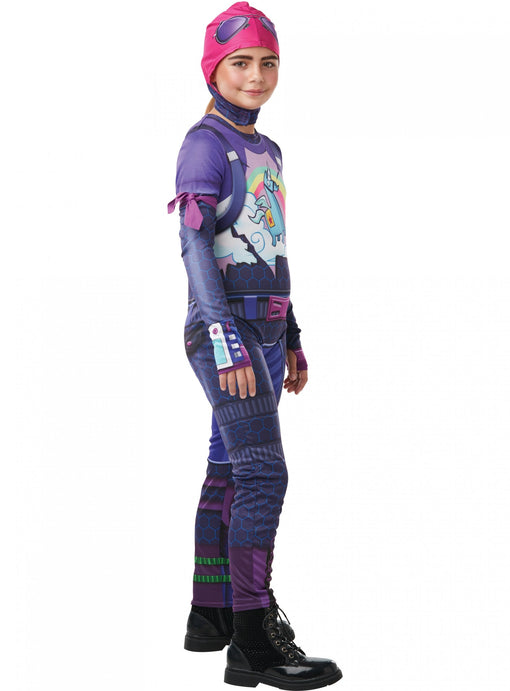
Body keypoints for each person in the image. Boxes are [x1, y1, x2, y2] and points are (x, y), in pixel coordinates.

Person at [168, 3, 342, 688]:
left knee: (230, 467)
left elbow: (269, 245)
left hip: (266, 328)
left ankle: (209, 613)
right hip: (227, 332)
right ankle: (252, 637)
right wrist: (224, 338)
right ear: (213, 69)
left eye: (268, 62)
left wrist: (291, 335)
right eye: (240, 62)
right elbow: (193, 246)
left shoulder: (268, 150)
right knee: (265, 475)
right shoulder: (204, 144)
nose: (256, 75)